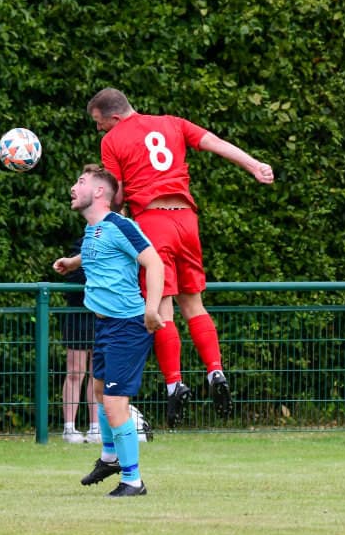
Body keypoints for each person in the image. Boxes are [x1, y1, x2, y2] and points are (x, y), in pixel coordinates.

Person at [87, 87, 275, 427]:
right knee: (194, 303)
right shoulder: (172, 123)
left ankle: (174, 383)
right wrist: (254, 165)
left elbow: (118, 195)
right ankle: (215, 371)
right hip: (187, 219)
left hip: (152, 221)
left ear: (114, 117)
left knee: (162, 308)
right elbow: (215, 142)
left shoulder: (112, 141)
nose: (99, 129)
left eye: (100, 122)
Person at [53, 165, 164, 497]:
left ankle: (133, 481)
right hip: (104, 324)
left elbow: (154, 262)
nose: (73, 187)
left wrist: (152, 308)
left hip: (128, 325)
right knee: (100, 391)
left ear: (99, 192)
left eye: (81, 182)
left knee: (114, 401)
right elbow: (98, 253)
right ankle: (110, 457)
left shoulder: (120, 225)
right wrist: (73, 263)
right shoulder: (94, 229)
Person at [59, 236, 100, 444]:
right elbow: (74, 277)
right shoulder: (82, 243)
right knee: (75, 372)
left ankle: (96, 428)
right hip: (79, 316)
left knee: (97, 373)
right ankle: (69, 428)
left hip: (102, 315)